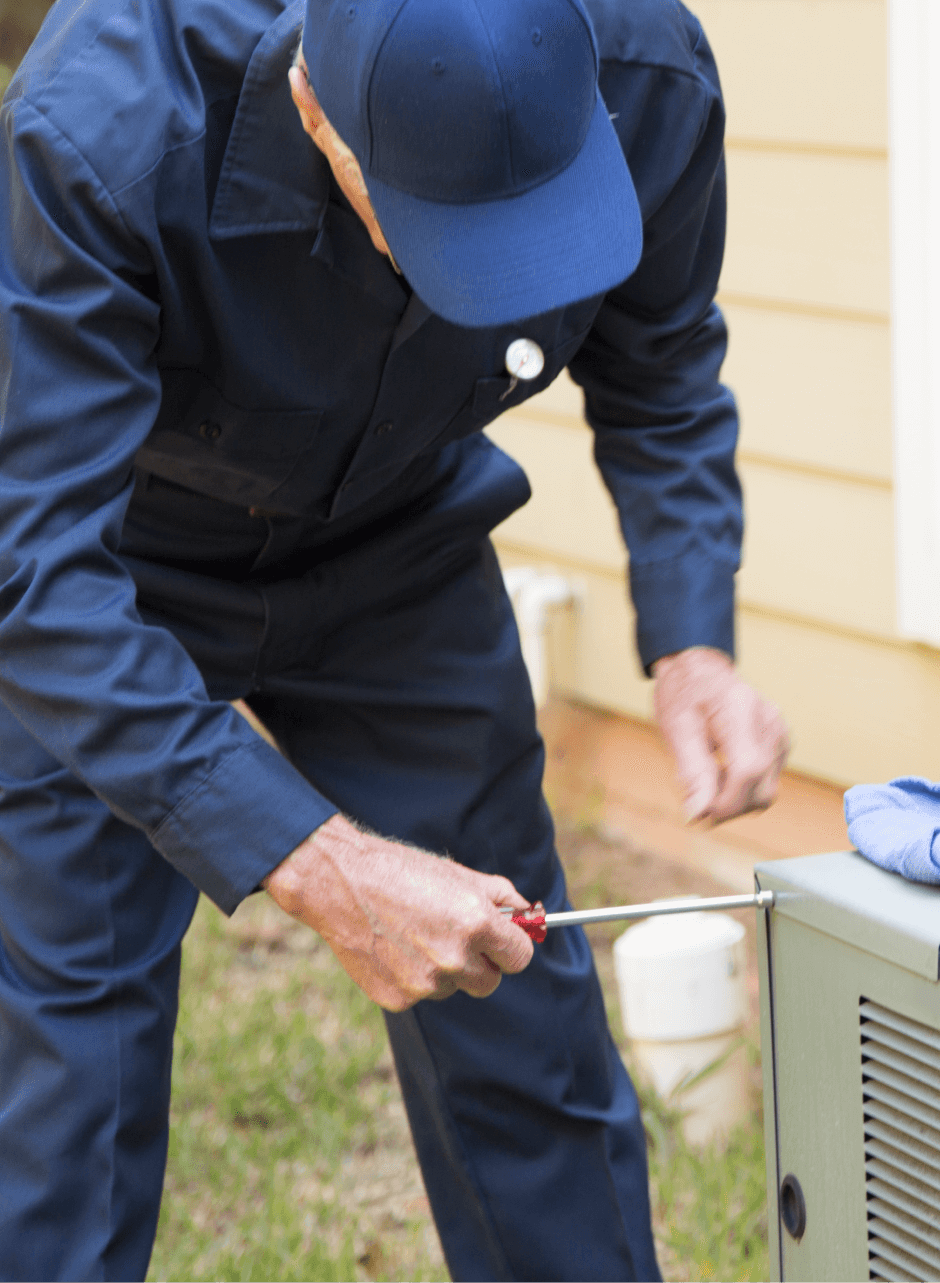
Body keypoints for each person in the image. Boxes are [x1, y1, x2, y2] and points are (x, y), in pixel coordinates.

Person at [0, 0, 787, 1276]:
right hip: (120, 573)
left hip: (398, 543)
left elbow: (663, 358)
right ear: (317, 109)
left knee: (518, 1010)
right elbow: (35, 570)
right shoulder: (103, 127)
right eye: (451, 232)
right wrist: (321, 863)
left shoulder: (649, 75)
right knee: (69, 1084)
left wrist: (692, 636)